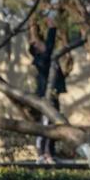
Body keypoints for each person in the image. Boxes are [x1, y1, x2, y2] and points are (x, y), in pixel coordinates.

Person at [29, 13, 67, 164]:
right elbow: (49, 46)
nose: (43, 44)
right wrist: (52, 28)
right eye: (40, 44)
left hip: (53, 95)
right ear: (37, 50)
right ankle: (42, 154)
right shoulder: (41, 60)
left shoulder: (45, 57)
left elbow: (48, 46)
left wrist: (36, 25)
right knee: (45, 126)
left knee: (55, 124)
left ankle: (50, 153)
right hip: (46, 97)